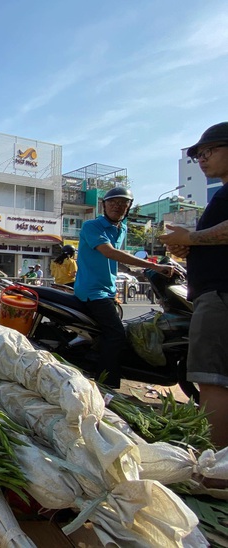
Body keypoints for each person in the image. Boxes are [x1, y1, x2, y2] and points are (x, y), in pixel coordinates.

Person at [160, 121, 228, 448]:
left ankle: (213, 464)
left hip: (220, 296)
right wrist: (188, 246)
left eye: (210, 151)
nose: (202, 159)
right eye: (199, 154)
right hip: (213, 293)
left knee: (212, 380)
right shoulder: (222, 195)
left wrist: (192, 238)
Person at [75, 186, 173, 388]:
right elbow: (108, 252)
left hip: (108, 290)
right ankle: (106, 386)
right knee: (116, 334)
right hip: (93, 290)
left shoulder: (122, 228)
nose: (117, 207)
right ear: (104, 205)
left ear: (128, 207)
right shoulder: (92, 226)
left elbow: (113, 259)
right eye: (112, 202)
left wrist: (137, 271)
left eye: (123, 203)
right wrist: (154, 265)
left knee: (107, 334)